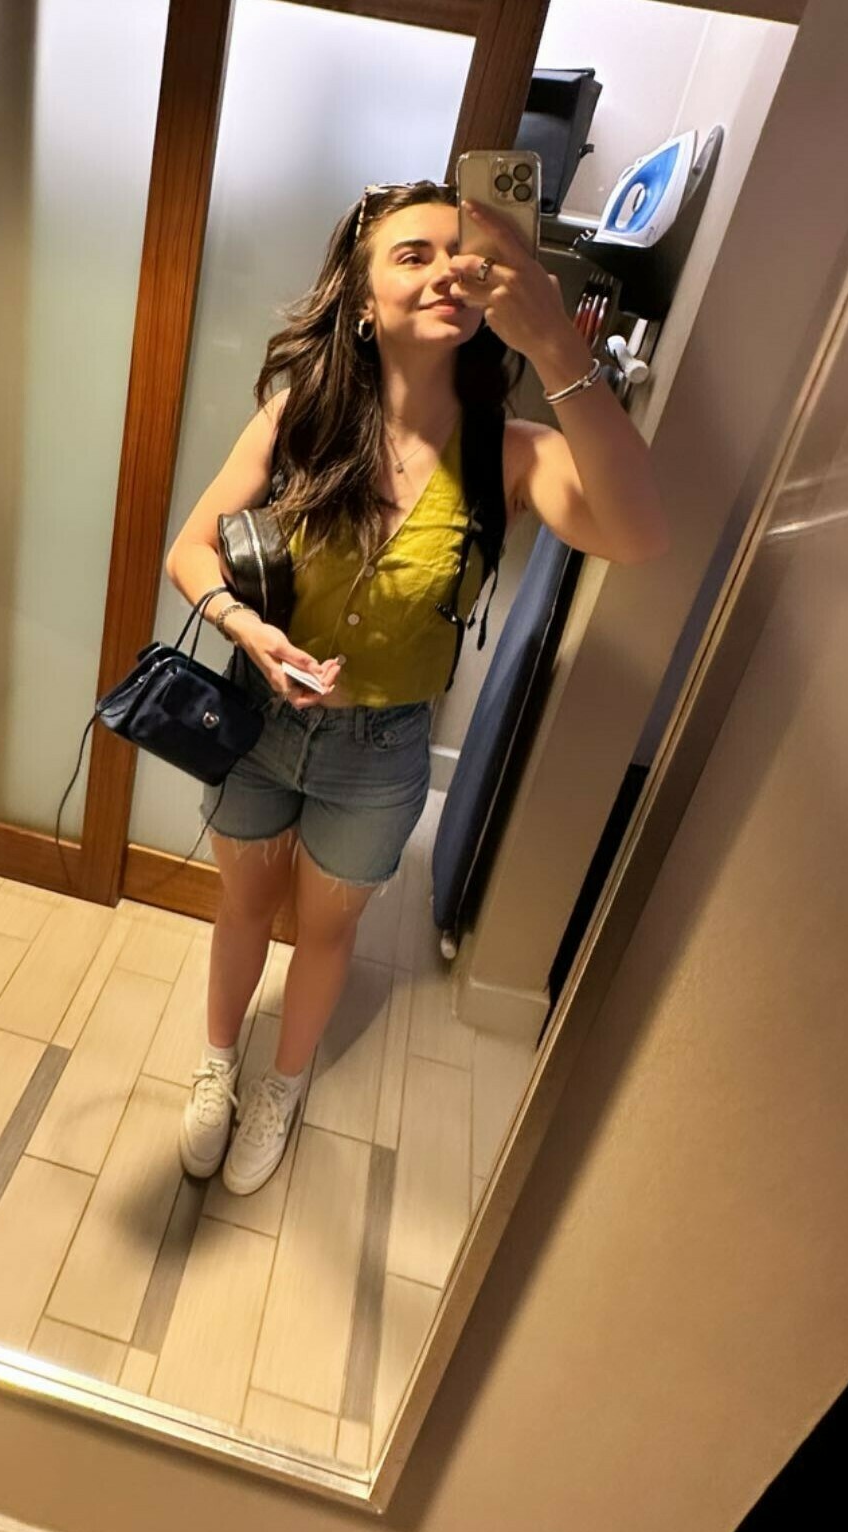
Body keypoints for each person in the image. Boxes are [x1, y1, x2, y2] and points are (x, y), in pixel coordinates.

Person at [163, 179, 670, 1198]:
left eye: (461, 253)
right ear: (361, 299)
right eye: (413, 253)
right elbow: (192, 548)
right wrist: (245, 627)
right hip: (257, 717)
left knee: (327, 929)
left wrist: (557, 346)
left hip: (381, 749)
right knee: (245, 905)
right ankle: (218, 1066)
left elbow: (638, 533)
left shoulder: (513, 452)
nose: (447, 270)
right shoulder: (300, 419)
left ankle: (283, 1086)